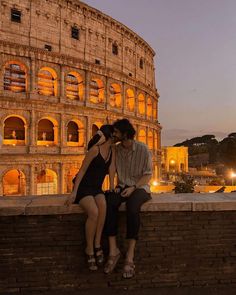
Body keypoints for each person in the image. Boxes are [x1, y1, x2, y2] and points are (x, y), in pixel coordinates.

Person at [104, 119, 152, 279]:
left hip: (140, 187)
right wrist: (113, 186)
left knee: (132, 208)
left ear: (125, 134)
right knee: (109, 203)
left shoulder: (143, 149)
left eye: (116, 132)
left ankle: (130, 255)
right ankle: (113, 250)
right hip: (122, 186)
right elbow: (112, 167)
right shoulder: (115, 149)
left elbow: (148, 174)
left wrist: (133, 188)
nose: (114, 134)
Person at [66, 124, 115, 271]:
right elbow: (81, 172)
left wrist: (112, 186)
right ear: (110, 136)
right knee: (93, 212)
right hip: (84, 187)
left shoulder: (113, 151)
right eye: (115, 134)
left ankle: (97, 243)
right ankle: (89, 249)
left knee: (103, 208)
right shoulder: (94, 150)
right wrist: (74, 192)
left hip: (96, 188)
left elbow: (112, 169)